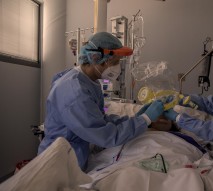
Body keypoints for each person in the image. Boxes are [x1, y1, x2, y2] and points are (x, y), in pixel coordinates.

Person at [38, 32, 164, 170]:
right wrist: (145, 120)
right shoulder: (74, 92)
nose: (118, 68)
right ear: (99, 60)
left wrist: (135, 118)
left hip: (73, 155)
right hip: (59, 164)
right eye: (115, 62)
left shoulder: (89, 81)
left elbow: (99, 119)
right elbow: (106, 136)